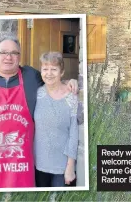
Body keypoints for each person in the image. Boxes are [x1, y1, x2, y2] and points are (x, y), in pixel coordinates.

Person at [0, 34, 78, 188]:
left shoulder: (32, 76)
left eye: (14, 53)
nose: (8, 57)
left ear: (19, 56)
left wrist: (69, 82)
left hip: (25, 160)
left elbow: (52, 80)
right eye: (3, 52)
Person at [34, 52, 78, 187]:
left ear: (62, 72)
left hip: (62, 167)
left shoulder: (72, 96)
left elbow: (74, 133)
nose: (49, 73)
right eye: (45, 69)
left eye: (54, 69)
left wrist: (70, 167)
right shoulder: (37, 93)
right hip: (38, 165)